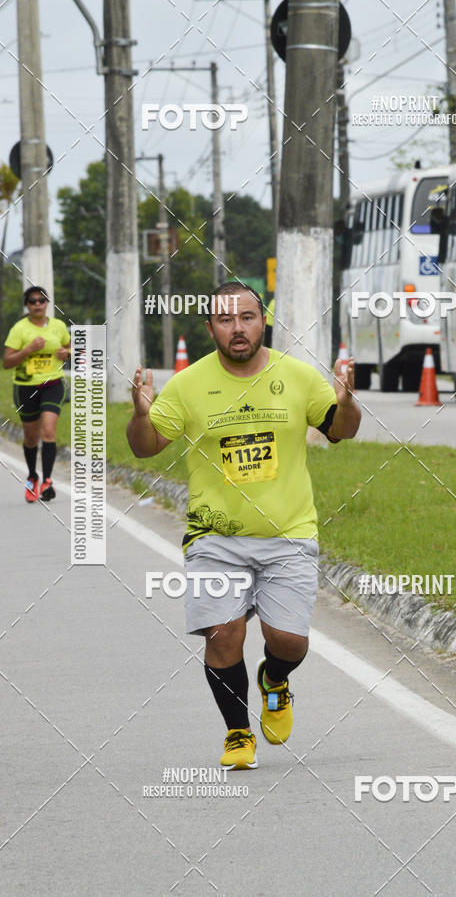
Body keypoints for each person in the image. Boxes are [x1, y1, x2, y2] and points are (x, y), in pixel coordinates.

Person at [127, 282, 361, 770]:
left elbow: (340, 429)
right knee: (223, 632)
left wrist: (348, 402)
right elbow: (145, 447)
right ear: (210, 327)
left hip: (289, 535)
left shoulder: (296, 376)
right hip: (215, 537)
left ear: (263, 322)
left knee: (289, 642)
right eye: (227, 320)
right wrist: (140, 414)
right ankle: (237, 733)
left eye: (248, 318)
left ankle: (274, 679)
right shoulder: (189, 383)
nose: (238, 329)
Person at [3, 286, 70, 502]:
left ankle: (48, 481)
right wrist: (27, 350)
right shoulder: (19, 329)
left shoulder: (58, 327)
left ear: (47, 303)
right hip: (25, 387)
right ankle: (32, 476)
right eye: (33, 301)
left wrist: (66, 353)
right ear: (27, 305)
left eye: (41, 300)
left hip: (52, 384)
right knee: (31, 437)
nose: (38, 304)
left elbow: (72, 350)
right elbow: (7, 362)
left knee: (48, 431)